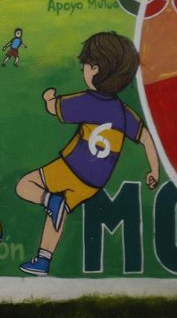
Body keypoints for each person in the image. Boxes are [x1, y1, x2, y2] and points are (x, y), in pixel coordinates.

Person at [16, 33, 160, 276]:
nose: (83, 68)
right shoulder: (123, 112)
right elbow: (146, 137)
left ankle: (50, 201)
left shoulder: (87, 101)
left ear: (95, 69)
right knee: (58, 214)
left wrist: (48, 98)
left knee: (25, 185)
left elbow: (55, 109)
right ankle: (43, 260)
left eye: (85, 64)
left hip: (72, 167)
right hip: (94, 183)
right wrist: (154, 170)